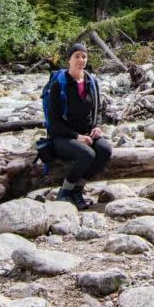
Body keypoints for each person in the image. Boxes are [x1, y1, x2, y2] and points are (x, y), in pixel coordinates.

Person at [46, 43, 110, 209]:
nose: (81, 60)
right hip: (62, 136)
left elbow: (98, 110)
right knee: (87, 154)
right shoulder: (58, 85)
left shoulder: (91, 82)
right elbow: (54, 122)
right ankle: (65, 191)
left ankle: (78, 189)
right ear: (69, 60)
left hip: (87, 133)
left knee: (105, 150)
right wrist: (76, 137)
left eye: (84, 56)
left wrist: (97, 126)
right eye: (77, 56)